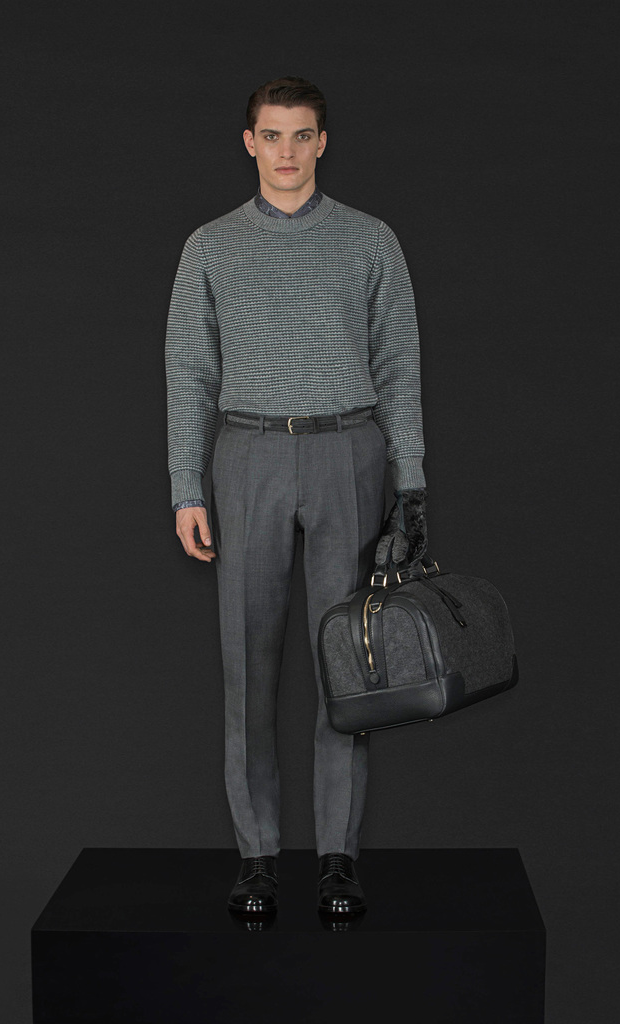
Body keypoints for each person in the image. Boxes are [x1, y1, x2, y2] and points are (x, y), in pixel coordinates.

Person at [165, 75, 428, 916]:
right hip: (247, 455)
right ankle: (257, 858)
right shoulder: (210, 246)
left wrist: (410, 481)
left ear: (322, 142)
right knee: (248, 666)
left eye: (301, 134)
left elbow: (398, 364)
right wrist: (185, 486)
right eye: (271, 135)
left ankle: (337, 858)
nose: (286, 151)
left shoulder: (369, 240)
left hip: (347, 450)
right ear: (249, 142)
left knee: (346, 665)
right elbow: (188, 371)